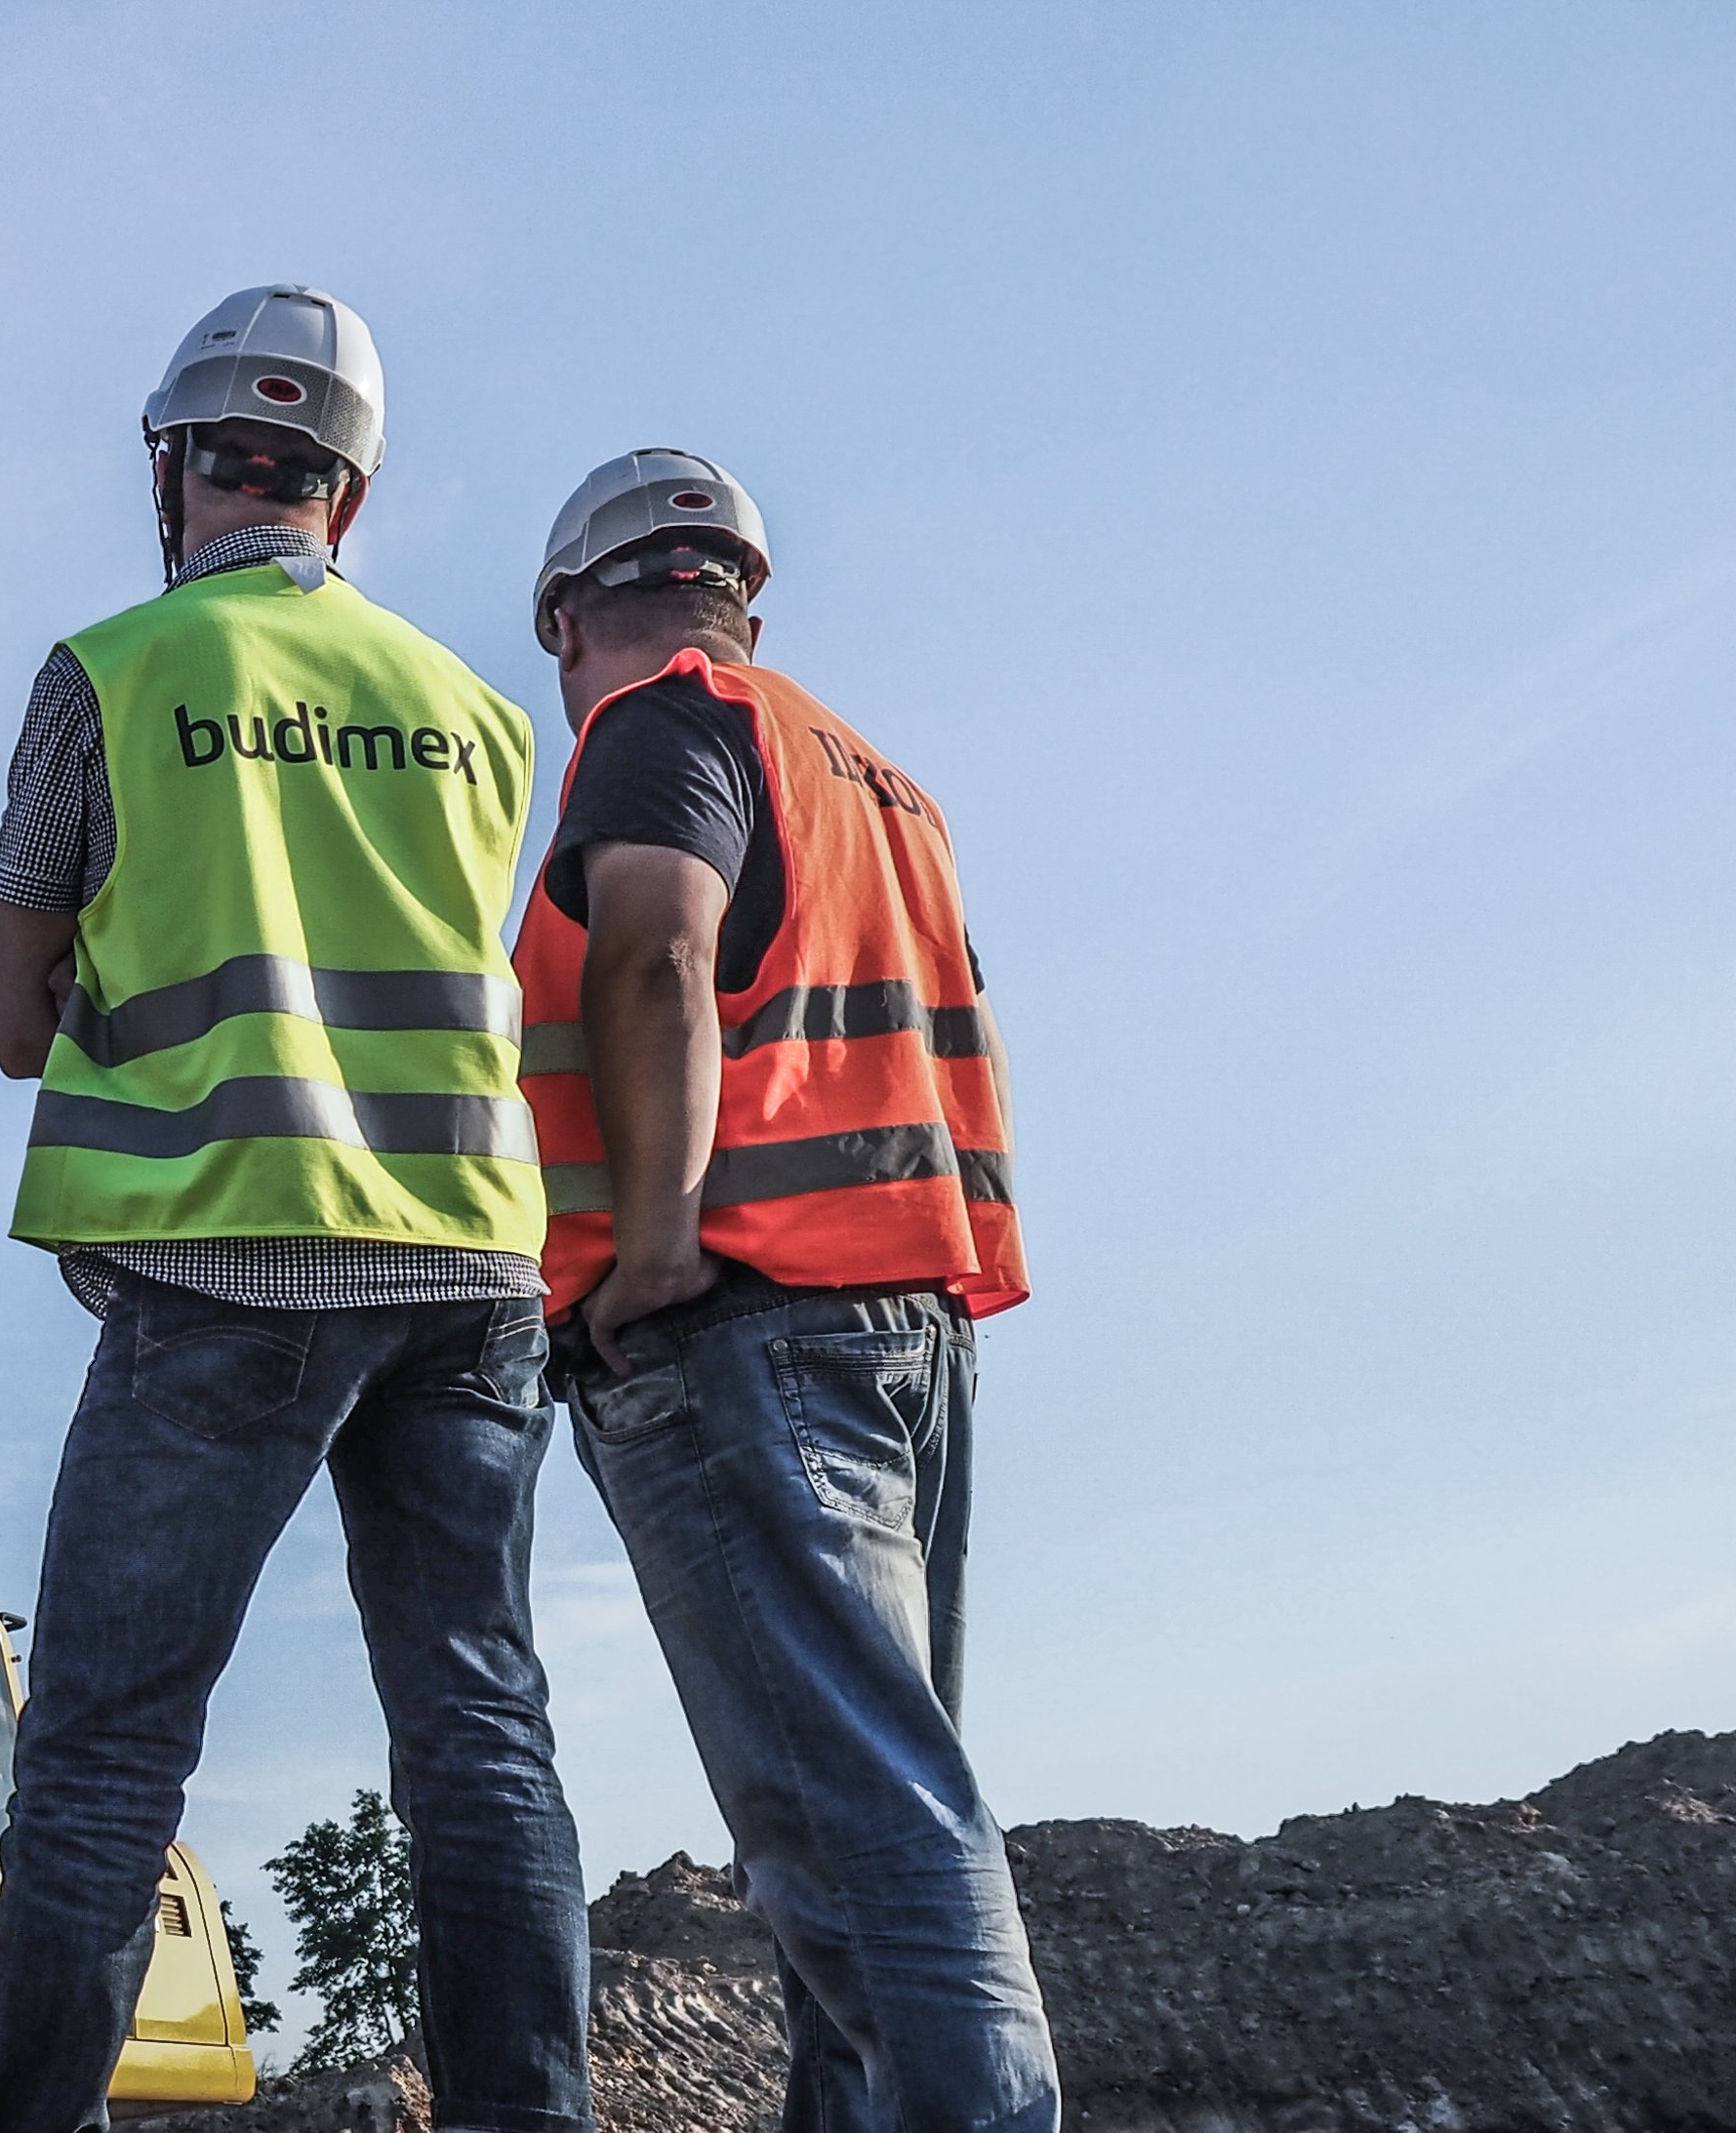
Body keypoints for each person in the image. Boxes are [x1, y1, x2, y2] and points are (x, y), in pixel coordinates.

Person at [0, 286, 587, 2133]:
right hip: (472, 1262)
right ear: (349, 499)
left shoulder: (111, 673)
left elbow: (13, 1026)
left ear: (178, 470)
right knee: (480, 1735)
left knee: (101, 1763)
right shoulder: (476, 715)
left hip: (230, 1256)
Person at [514, 450, 1050, 2133]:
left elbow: (660, 946)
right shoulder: (878, 779)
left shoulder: (660, 727)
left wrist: (658, 1240)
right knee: (867, 1824)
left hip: (744, 1328)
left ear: (563, 619)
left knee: (866, 1843)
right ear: (743, 588)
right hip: (907, 1323)